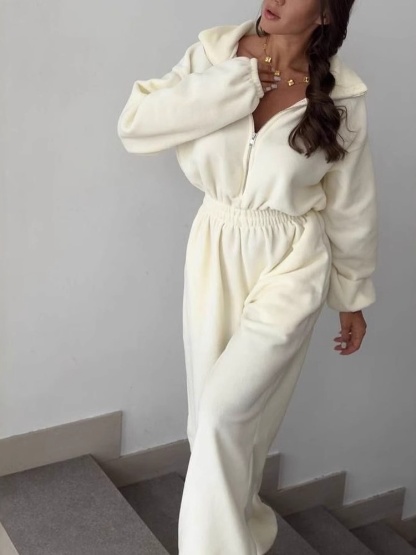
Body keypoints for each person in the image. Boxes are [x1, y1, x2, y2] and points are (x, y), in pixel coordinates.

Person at [117, 0, 378, 553]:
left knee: (222, 413)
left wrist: (351, 296)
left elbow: (351, 206)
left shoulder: (343, 97)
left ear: (325, 14)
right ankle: (246, 524)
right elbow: (135, 125)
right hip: (215, 248)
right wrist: (230, 86)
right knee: (211, 423)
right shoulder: (215, 54)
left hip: (293, 262)